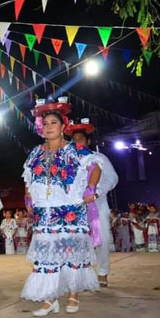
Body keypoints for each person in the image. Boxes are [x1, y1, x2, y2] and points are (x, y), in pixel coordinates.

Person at [21, 98, 100, 316]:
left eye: (53, 123)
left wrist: (90, 188)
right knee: (47, 256)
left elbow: (95, 167)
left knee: (70, 253)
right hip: (44, 213)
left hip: (71, 211)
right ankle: (50, 299)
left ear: (63, 126)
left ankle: (73, 294)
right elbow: (28, 178)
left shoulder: (76, 149)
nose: (48, 127)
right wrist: (28, 198)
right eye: (45, 124)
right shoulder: (35, 152)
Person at [66, 118, 119, 287]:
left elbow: (112, 178)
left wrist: (95, 193)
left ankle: (102, 272)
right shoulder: (68, 161)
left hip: (96, 205)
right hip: (75, 208)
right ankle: (82, 273)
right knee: (77, 241)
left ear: (88, 141)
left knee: (100, 238)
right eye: (74, 140)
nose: (77, 143)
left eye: (80, 139)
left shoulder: (98, 157)